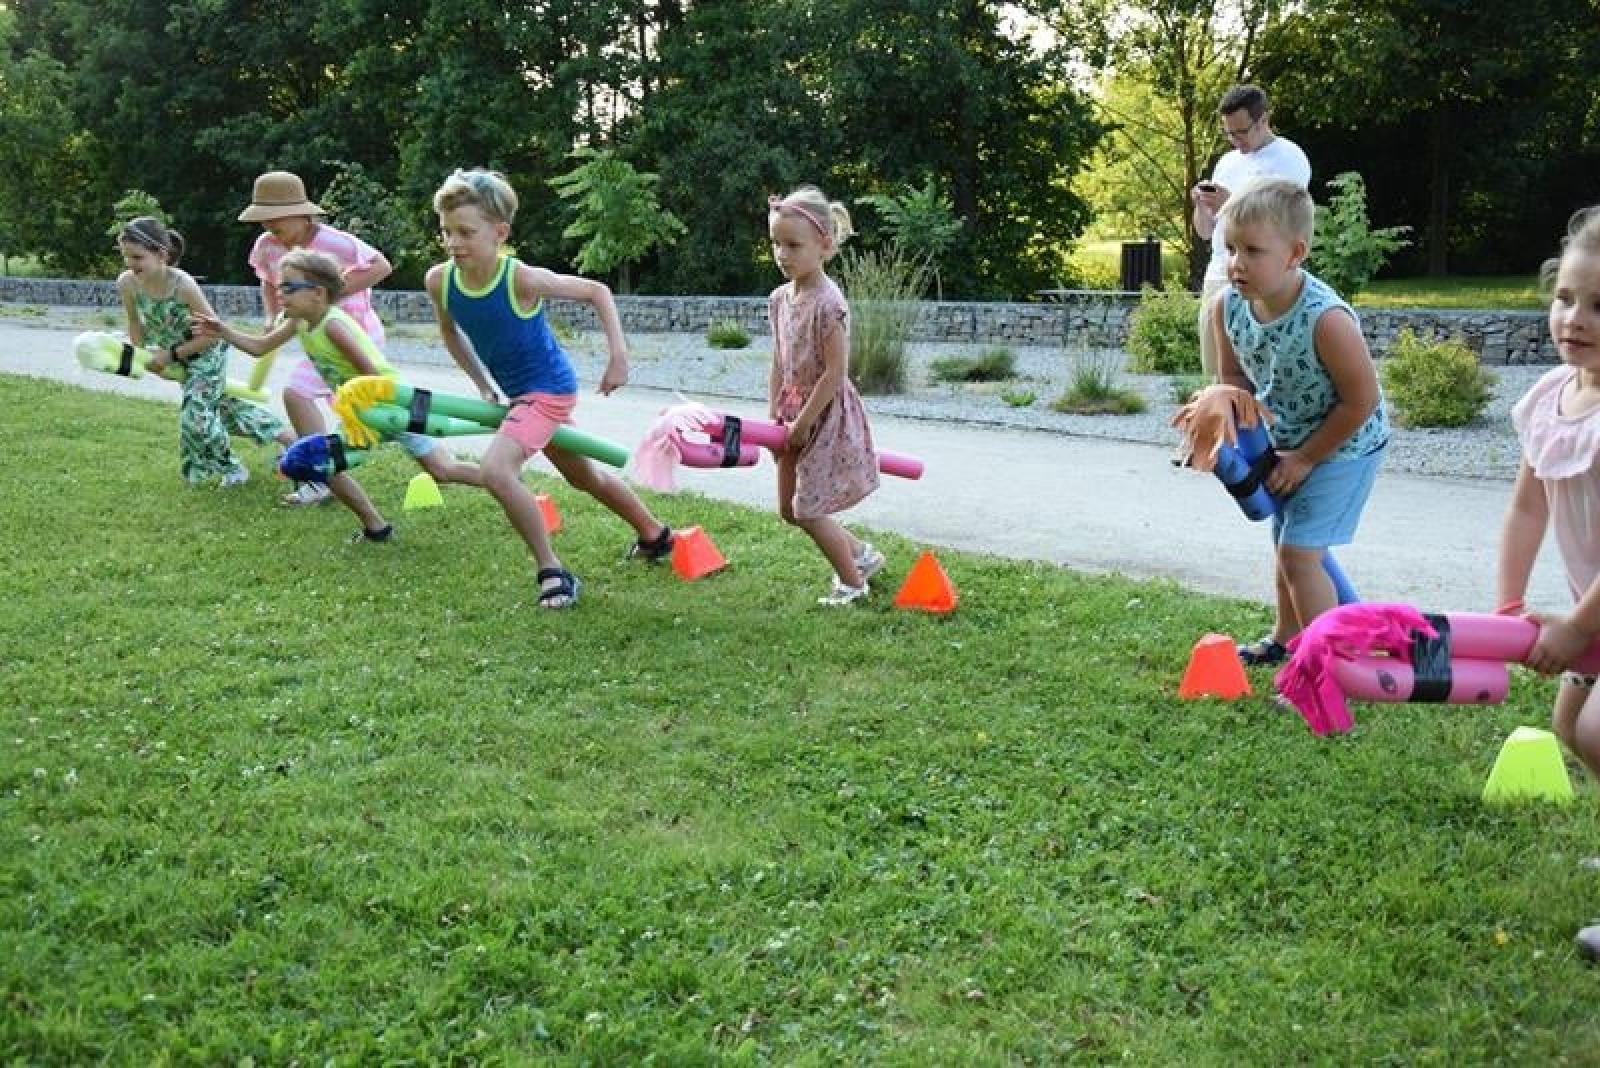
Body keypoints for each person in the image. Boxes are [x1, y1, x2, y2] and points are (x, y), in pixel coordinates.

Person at [425, 167, 673, 609]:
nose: (453, 242)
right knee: (585, 477)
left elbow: (597, 291)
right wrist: (482, 385)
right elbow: (450, 333)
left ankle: (552, 571)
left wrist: (618, 355)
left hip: (548, 390)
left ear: (499, 232)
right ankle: (655, 535)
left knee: (497, 472)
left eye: (465, 232)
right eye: (446, 232)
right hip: (518, 394)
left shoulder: (520, 278)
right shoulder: (440, 281)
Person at [195, 249, 484, 544]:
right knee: (328, 465)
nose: (279, 293)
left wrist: (368, 419)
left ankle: (505, 484)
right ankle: (376, 528)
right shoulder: (299, 321)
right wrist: (223, 331)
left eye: (289, 287)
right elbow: (260, 347)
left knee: (441, 471)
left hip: (387, 408)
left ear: (318, 293)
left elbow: (371, 375)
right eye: (280, 285)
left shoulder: (333, 325)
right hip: (362, 414)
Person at [1212, 180, 1388, 665]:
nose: (1236, 263)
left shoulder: (1326, 320)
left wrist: (1308, 458)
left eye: (1253, 250)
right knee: (1285, 541)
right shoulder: (1227, 306)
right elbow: (1231, 380)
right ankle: (1288, 638)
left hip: (1346, 443)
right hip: (1289, 440)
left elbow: (1362, 400)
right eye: (1230, 248)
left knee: (1300, 554)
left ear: (1295, 253)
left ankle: (1324, 669)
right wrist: (1227, 432)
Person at [1496, 205, 1600, 783]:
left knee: (1594, 728)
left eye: (1599, 307)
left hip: (1594, 614)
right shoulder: (1548, 398)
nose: (1575, 319)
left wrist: (1578, 628)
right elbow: (1526, 507)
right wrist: (1508, 607)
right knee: (1570, 724)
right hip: (1594, 606)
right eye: (1565, 298)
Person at [238, 170, 394, 506]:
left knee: (365, 406)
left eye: (274, 217)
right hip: (317, 334)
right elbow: (267, 280)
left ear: (300, 212)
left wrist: (328, 296)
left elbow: (381, 266)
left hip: (354, 332)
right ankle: (319, 475)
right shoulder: (267, 246)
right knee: (301, 394)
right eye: (262, 218)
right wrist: (270, 316)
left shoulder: (333, 242)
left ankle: (426, 454)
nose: (268, 226)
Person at [766, 185, 885, 606]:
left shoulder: (829, 302)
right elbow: (780, 359)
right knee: (789, 509)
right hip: (791, 412)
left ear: (825, 245)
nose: (783, 254)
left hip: (825, 412)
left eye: (794, 245)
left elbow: (836, 371)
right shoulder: (779, 299)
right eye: (777, 244)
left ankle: (852, 582)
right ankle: (862, 554)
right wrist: (773, 421)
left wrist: (804, 423)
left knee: (808, 509)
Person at [115, 216, 294, 487]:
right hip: (176, 356)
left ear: (161, 255)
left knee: (195, 415)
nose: (130, 264)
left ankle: (232, 469)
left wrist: (170, 354)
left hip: (205, 354)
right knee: (220, 408)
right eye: (126, 257)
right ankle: (287, 438)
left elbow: (212, 334)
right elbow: (134, 322)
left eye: (137, 257)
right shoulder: (127, 283)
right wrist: (141, 357)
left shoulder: (183, 286)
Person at [1191, 84, 1311, 381]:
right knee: (1216, 371)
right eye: (1229, 133)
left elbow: (1279, 221)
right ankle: (1223, 424)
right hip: (1220, 274)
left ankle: (1261, 426)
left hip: (1263, 275)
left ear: (1263, 120)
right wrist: (1202, 206)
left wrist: (1229, 202)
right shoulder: (1227, 162)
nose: (1235, 141)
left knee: (1259, 370)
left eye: (1242, 132)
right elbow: (1207, 233)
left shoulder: (1289, 158)